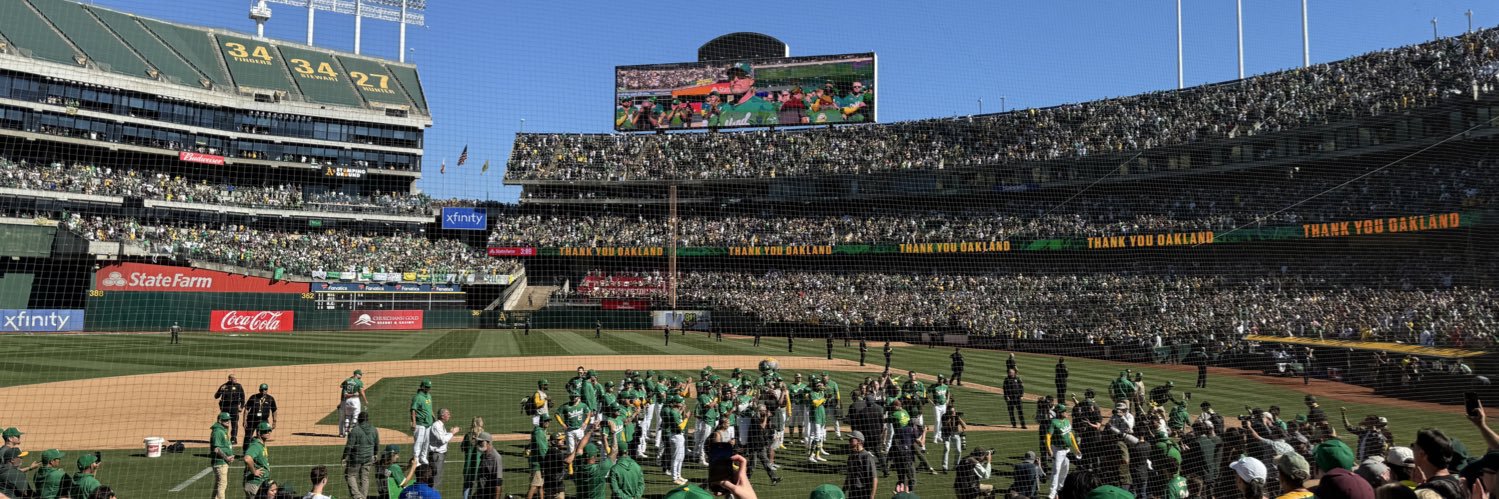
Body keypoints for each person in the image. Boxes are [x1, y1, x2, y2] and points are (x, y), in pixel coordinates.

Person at [1411, 428, 1463, 499]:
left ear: (1422, 454)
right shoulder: (1459, 483)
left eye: (1413, 446)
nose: (1412, 449)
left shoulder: (1427, 492)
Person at [1047, 404, 1081, 499]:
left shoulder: (1066, 421)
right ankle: (1052, 492)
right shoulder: (1053, 422)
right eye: (1064, 411)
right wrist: (1048, 448)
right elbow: (1048, 436)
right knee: (1056, 470)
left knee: (1065, 468)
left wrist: (1076, 448)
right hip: (1058, 450)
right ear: (1059, 413)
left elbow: (1071, 435)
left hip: (1067, 450)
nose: (1066, 413)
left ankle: (1060, 488)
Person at [344, 411, 379, 499]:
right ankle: (363, 497)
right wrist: (375, 454)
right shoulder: (374, 429)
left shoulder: (355, 430)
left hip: (356, 458)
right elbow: (377, 444)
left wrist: (344, 457)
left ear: (359, 419)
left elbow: (349, 446)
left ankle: (357, 496)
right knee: (365, 477)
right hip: (368, 457)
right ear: (367, 420)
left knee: (350, 475)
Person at [426, 408, 460, 487]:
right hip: (437, 456)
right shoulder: (436, 426)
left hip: (439, 455)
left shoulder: (440, 425)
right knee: (435, 479)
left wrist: (450, 433)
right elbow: (442, 440)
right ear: (442, 416)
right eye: (447, 414)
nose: (449, 415)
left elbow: (443, 437)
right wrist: (452, 433)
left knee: (437, 478)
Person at [243, 383, 277, 452]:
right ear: (259, 390)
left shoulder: (270, 398)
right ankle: (245, 452)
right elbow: (246, 409)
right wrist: (244, 420)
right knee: (248, 436)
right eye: (262, 389)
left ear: (267, 390)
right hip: (252, 420)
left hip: (264, 421)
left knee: (263, 436)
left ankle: (261, 451)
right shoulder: (253, 397)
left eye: (265, 389)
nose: (263, 391)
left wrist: (274, 421)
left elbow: (274, 410)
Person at [212, 412, 239, 499]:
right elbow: (217, 449)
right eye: (225, 420)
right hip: (220, 462)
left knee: (219, 485)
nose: (228, 421)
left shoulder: (222, 430)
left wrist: (230, 455)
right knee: (222, 485)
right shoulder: (218, 432)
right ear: (220, 420)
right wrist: (226, 457)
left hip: (223, 462)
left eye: (229, 419)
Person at [845, 431, 879, 499]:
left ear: (859, 441)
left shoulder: (867, 457)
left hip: (863, 492)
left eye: (851, 440)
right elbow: (849, 474)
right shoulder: (851, 455)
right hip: (852, 491)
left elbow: (874, 478)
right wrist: (843, 489)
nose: (849, 442)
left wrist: (872, 496)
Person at [244, 422, 273, 499]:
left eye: (269, 430)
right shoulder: (256, 445)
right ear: (259, 433)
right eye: (265, 431)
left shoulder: (261, 444)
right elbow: (247, 459)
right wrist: (254, 471)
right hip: (255, 484)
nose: (268, 433)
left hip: (259, 483)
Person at [216, 374, 247, 444]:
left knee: (234, 423)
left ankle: (233, 438)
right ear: (229, 379)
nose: (236, 380)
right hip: (225, 407)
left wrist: (241, 407)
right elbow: (216, 396)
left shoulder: (239, 386)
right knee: (224, 423)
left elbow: (243, 398)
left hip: (234, 407)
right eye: (234, 378)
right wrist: (220, 390)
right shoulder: (224, 386)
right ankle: (223, 437)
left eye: (236, 378)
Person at [410, 380, 435, 466]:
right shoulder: (417, 397)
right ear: (422, 387)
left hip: (428, 423)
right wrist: (413, 422)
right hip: (420, 423)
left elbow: (430, 408)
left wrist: (433, 417)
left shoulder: (429, 396)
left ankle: (423, 457)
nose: (429, 389)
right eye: (427, 387)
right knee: (418, 442)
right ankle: (416, 459)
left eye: (429, 387)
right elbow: (413, 410)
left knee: (426, 441)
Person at [472, 432, 503, 499]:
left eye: (481, 442)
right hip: (481, 493)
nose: (478, 444)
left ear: (488, 442)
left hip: (489, 495)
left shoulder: (496, 458)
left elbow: (498, 484)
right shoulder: (484, 454)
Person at [340, 369, 368, 439]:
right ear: (356, 374)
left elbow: (341, 386)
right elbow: (362, 392)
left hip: (347, 400)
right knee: (356, 416)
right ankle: (353, 432)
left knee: (348, 416)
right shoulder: (359, 382)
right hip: (355, 400)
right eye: (360, 374)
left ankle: (346, 432)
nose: (361, 375)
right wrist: (365, 400)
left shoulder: (347, 380)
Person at [941, 406, 967, 472]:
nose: (953, 413)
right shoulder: (944, 416)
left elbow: (964, 426)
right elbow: (945, 425)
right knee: (947, 449)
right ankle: (945, 467)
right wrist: (950, 418)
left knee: (958, 450)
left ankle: (956, 466)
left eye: (953, 411)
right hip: (946, 434)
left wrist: (959, 418)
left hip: (955, 434)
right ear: (948, 412)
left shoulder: (956, 417)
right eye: (951, 412)